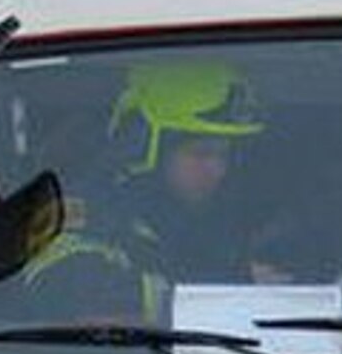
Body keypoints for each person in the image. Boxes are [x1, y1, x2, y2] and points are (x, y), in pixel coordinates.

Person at [26, 59, 287, 323]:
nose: (218, 171)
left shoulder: (204, 221)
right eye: (201, 154)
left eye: (224, 155)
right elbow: (91, 305)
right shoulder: (75, 221)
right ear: (140, 146)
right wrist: (234, 286)